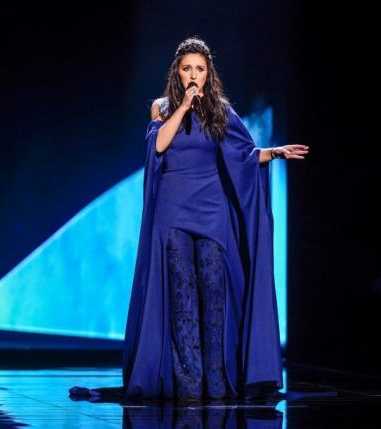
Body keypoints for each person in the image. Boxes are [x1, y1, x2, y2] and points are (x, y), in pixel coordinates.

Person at [70, 36, 308, 402]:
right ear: (177, 73)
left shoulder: (221, 111)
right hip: (173, 213)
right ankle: (189, 386)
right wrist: (183, 107)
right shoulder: (163, 107)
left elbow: (243, 156)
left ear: (208, 72)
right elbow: (160, 145)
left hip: (212, 213)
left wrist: (273, 152)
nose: (193, 74)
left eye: (199, 68)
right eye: (187, 69)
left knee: (213, 294)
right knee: (181, 297)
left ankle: (216, 382)